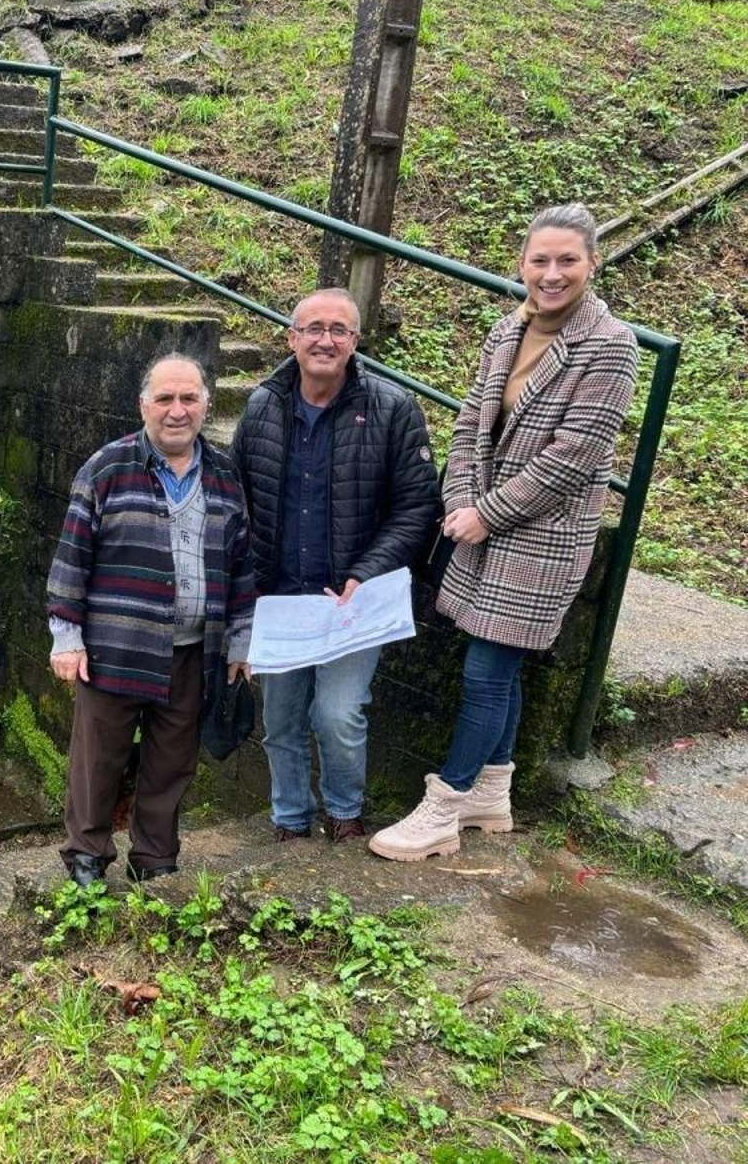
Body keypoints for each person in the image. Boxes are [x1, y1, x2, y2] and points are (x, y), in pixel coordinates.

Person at [370, 204, 639, 862]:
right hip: (482, 519)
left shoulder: (610, 345)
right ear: (522, 265)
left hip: (543, 537)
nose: (552, 274)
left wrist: (486, 513)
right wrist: (463, 498)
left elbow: (573, 458)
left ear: (592, 264)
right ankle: (492, 791)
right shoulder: (506, 329)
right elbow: (469, 426)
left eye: (567, 260)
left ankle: (445, 806)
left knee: (488, 669)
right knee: (503, 663)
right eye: (539, 260)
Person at [230, 288, 442, 844]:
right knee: (280, 722)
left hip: (353, 600)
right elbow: (237, 496)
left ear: (355, 341)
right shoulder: (262, 406)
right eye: (314, 328)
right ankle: (290, 820)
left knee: (339, 715)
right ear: (292, 337)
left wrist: (367, 572)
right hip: (281, 598)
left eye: (339, 330)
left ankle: (345, 814)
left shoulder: (393, 408)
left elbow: (418, 504)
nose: (326, 339)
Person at [47, 353, 257, 886]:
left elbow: (241, 566)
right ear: (144, 405)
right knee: (99, 760)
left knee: (171, 763)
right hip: (115, 647)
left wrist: (240, 644)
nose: (177, 410)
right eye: (165, 398)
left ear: (206, 405)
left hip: (192, 651)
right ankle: (87, 858)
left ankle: (156, 861)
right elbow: (72, 557)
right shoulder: (107, 468)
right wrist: (65, 638)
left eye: (189, 398)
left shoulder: (227, 476)